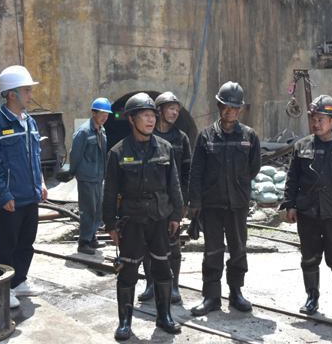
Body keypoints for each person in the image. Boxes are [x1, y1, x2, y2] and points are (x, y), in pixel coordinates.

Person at [102, 93, 184, 340]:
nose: (151, 120)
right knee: (128, 271)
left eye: (152, 116)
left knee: (163, 268)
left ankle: (164, 316)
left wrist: (176, 215)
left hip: (160, 218)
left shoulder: (165, 148)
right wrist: (110, 225)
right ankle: (125, 322)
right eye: (145, 116)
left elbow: (174, 185)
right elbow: (109, 192)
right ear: (131, 119)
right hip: (132, 220)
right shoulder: (118, 153)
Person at [281, 95, 332, 322]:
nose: (315, 123)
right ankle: (312, 299)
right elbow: (292, 178)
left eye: (320, 119)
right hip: (307, 212)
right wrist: (289, 205)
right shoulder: (301, 146)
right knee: (309, 258)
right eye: (313, 119)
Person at [0, 65, 48, 310]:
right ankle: (4, 289)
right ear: (12, 94)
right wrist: (3, 195)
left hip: (30, 197)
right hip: (9, 200)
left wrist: (41, 183)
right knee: (5, 246)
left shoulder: (30, 122)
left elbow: (35, 157)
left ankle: (19, 281)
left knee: (25, 243)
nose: (31, 95)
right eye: (26, 90)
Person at [189, 81, 261, 316]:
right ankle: (211, 297)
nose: (229, 111)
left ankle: (236, 293)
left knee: (238, 249)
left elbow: (253, 168)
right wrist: (195, 203)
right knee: (212, 250)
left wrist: (238, 187)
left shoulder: (249, 136)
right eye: (225, 106)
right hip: (211, 204)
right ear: (219, 106)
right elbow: (196, 171)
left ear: (240, 109)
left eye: (234, 107)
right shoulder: (205, 136)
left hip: (237, 204)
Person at [138, 91, 192, 303]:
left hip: (171, 200)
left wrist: (184, 202)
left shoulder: (181, 138)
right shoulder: (146, 135)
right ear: (159, 111)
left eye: (177, 110)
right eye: (171, 108)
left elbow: (187, 172)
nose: (174, 113)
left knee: (173, 243)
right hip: (149, 200)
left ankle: (174, 285)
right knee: (147, 244)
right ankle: (151, 284)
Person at [69, 97, 112, 255]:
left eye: (107, 115)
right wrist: (73, 172)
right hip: (87, 177)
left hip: (98, 177)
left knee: (97, 210)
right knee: (87, 211)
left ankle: (92, 237)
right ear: (93, 113)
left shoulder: (102, 130)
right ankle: (84, 242)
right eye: (102, 114)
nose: (105, 117)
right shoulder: (84, 132)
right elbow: (75, 154)